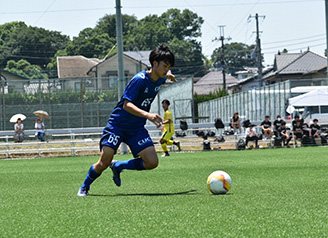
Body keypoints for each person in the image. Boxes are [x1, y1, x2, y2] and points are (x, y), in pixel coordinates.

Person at [77, 44, 177, 196]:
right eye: (165, 66)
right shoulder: (139, 80)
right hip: (118, 125)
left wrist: (168, 76)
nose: (166, 70)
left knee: (152, 162)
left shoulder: (159, 78)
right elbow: (127, 105)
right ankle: (85, 186)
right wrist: (148, 115)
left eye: (168, 67)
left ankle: (118, 166)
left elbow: (163, 78)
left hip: (136, 128)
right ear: (155, 63)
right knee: (104, 162)